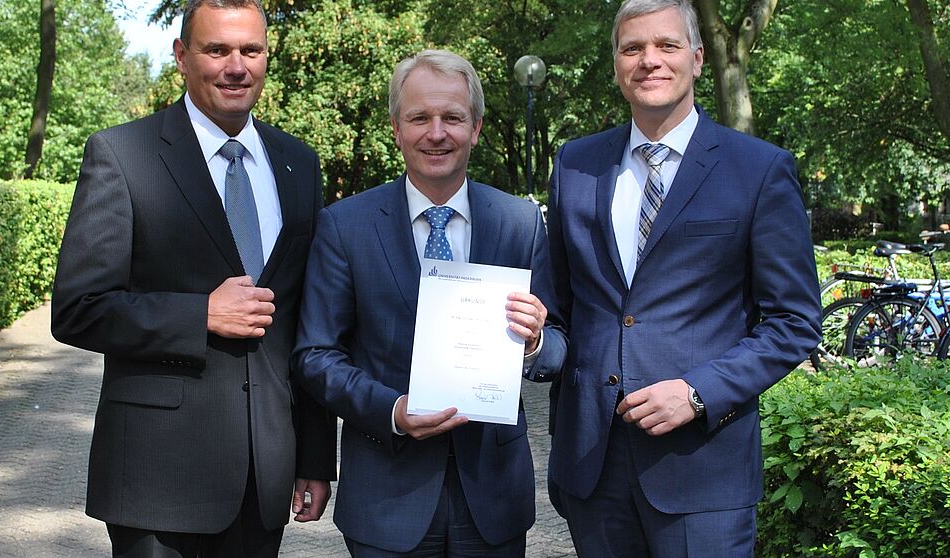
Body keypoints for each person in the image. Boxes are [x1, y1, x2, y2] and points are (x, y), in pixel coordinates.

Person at [50, 1, 336, 556]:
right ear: (182, 56)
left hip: (264, 478)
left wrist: (315, 457)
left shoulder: (298, 163)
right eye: (217, 50)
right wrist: (199, 314)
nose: (236, 66)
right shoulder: (121, 154)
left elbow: (308, 323)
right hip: (158, 479)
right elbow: (78, 307)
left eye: (251, 50)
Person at [545, 0, 821, 556]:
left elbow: (793, 323)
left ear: (696, 59)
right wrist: (532, 345)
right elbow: (557, 312)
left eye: (667, 46)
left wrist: (699, 393)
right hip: (591, 467)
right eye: (633, 48)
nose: (650, 60)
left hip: (702, 469)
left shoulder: (759, 170)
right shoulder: (574, 165)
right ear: (616, 64)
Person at [292, 49, 566, 557]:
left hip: (492, 495)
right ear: (397, 128)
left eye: (452, 118)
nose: (436, 132)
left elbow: (557, 352)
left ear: (476, 128)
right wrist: (393, 410)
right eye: (419, 117)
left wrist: (534, 342)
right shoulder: (345, 226)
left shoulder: (520, 223)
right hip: (385, 494)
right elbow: (315, 354)